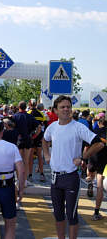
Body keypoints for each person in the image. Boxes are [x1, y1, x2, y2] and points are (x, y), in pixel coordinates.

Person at [42, 95, 104, 239]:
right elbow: (44, 140)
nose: (66, 109)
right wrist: (46, 156)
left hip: (71, 177)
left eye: (68, 107)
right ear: (55, 110)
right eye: (62, 107)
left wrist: (84, 157)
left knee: (71, 214)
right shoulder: (52, 127)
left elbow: (99, 143)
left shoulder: (78, 127)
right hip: (55, 178)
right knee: (58, 214)